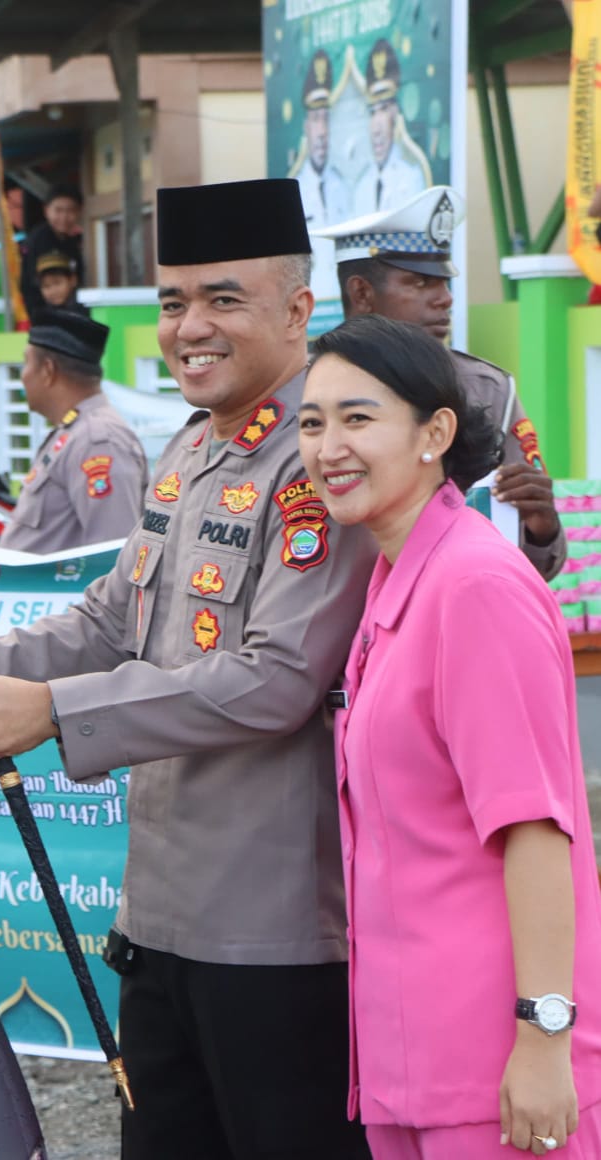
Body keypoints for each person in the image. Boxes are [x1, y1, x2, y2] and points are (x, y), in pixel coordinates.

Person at [0, 178, 377, 1159]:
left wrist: (50, 710)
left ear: (297, 308)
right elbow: (110, 617)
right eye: (172, 301)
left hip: (274, 932)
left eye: (222, 299)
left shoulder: (320, 458)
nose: (189, 327)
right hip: (157, 917)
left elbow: (275, 678)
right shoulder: (191, 446)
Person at [297, 313, 601, 1158]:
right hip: (412, 1055)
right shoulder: (397, 578)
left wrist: (542, 1039)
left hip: (495, 1066)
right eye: (311, 423)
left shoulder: (473, 586)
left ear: (433, 434)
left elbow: (534, 828)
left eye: (357, 418)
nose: (328, 448)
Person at [315, 185, 566, 580]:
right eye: (420, 283)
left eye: (444, 282)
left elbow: (530, 565)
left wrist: (541, 528)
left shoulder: (486, 389)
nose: (445, 299)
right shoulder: (305, 389)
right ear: (361, 293)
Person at [0, 309, 148, 554]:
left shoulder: (98, 441)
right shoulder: (75, 433)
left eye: (26, 363)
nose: (22, 376)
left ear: (48, 370)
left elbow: (112, 556)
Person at [291, 48, 351, 302]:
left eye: (326, 119)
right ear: (306, 126)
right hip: (308, 310)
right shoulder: (293, 189)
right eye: (316, 119)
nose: (322, 131)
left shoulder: (344, 186)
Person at [352, 39, 427, 215]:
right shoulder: (361, 187)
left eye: (384, 109)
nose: (376, 129)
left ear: (395, 115)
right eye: (372, 112)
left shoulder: (412, 178)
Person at [19, 185, 86, 320]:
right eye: (58, 210)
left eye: (70, 210)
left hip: (68, 311)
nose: (64, 217)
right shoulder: (38, 240)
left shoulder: (71, 242)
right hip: (42, 314)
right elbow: (31, 284)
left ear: (79, 212)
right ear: (46, 210)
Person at [33, 251, 89, 318]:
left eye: (57, 283)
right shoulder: (41, 317)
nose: (53, 291)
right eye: (46, 286)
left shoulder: (87, 312)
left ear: (73, 280)